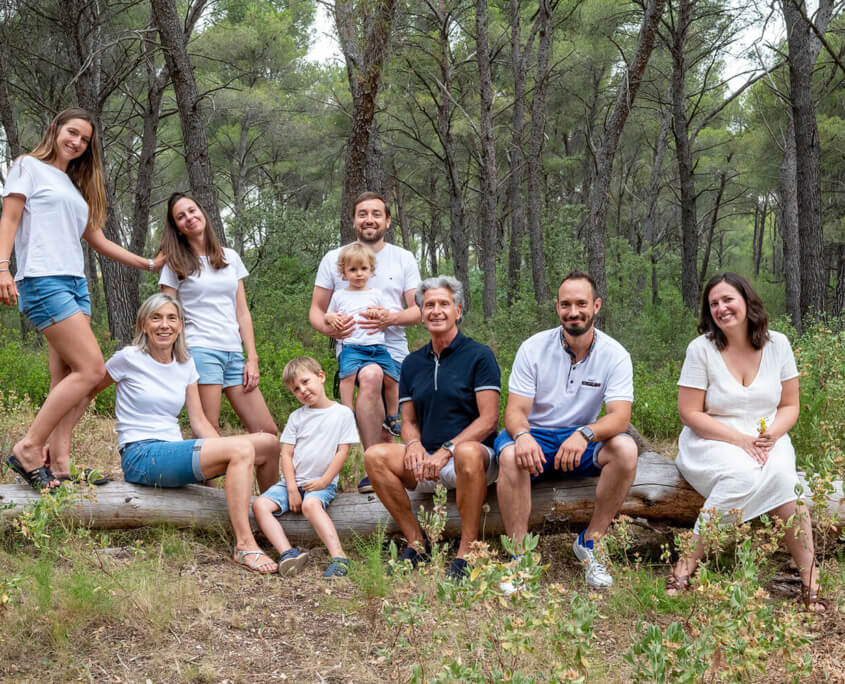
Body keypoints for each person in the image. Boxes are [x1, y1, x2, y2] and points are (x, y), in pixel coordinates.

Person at [0, 108, 164, 491]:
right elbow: (9, 219)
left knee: (70, 379)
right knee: (92, 370)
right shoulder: (27, 166)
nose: (76, 142)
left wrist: (148, 263)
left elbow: (97, 239)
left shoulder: (74, 186)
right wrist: (1, 268)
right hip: (43, 279)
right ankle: (28, 448)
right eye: (71, 133)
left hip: (76, 283)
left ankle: (60, 465)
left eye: (85, 139)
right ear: (55, 129)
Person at [667, 273, 827, 612]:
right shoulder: (701, 350)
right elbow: (690, 412)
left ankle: (811, 581)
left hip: (768, 434)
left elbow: (789, 404)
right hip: (711, 436)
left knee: (787, 481)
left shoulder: (778, 344)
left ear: (747, 301)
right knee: (741, 475)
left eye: (728, 300)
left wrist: (773, 434)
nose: (721, 308)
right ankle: (685, 564)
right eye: (714, 304)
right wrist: (740, 440)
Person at [91, 293, 281, 573]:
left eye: (171, 318)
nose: (164, 325)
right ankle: (244, 546)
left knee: (269, 443)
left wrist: (221, 456)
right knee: (241, 449)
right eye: (156, 318)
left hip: (172, 452)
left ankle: (273, 519)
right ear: (143, 324)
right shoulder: (128, 358)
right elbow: (85, 391)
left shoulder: (185, 363)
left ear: (181, 325)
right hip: (141, 455)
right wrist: (58, 444)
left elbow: (199, 421)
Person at [496, 271, 638, 589]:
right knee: (508, 457)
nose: (573, 311)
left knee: (626, 450)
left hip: (581, 437)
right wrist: (522, 436)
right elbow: (516, 412)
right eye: (566, 304)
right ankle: (520, 557)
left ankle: (590, 543)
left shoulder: (615, 355)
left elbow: (619, 418)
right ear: (557, 308)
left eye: (581, 303)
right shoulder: (533, 348)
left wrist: (585, 434)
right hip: (536, 433)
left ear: (597, 305)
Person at [364, 276, 500, 580]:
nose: (436, 311)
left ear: (458, 311)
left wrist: (446, 451)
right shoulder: (412, 363)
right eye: (429, 305)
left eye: (444, 304)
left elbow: (489, 419)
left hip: (473, 458)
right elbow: (408, 420)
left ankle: (468, 549)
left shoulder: (480, 356)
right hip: (427, 460)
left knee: (465, 453)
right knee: (375, 456)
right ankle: (417, 542)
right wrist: (413, 445)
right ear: (421, 313)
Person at [310, 191, 421, 492]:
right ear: (354, 220)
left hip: (393, 348)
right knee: (370, 376)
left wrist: (389, 319)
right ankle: (372, 465)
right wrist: (331, 328)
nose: (368, 219)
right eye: (362, 213)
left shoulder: (403, 258)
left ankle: (400, 468)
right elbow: (317, 312)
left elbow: (419, 310)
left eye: (375, 213)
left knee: (391, 414)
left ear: (387, 220)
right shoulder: (334, 258)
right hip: (353, 349)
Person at [159, 192, 277, 438]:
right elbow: (166, 313)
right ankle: (200, 479)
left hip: (234, 353)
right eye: (181, 217)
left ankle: (273, 479)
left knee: (267, 432)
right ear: (178, 228)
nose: (189, 218)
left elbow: (242, 312)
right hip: (201, 351)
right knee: (208, 432)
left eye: (192, 211)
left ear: (202, 212)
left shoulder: (229, 256)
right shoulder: (175, 263)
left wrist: (252, 358)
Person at [252, 357, 359, 578]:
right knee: (260, 505)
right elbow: (286, 453)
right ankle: (288, 553)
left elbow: (343, 452)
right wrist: (291, 488)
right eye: (296, 389)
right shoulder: (297, 417)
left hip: (321, 482)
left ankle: (339, 557)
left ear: (321, 377)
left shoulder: (342, 413)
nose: (303, 391)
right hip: (291, 482)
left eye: (305, 382)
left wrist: (324, 481)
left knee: (311, 505)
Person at [326, 242, 400, 433]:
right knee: (347, 377)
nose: (359, 274)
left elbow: (385, 313)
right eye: (353, 269)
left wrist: (378, 312)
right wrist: (332, 318)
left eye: (363, 269)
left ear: (371, 270)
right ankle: (347, 413)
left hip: (378, 347)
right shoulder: (339, 295)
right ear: (344, 272)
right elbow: (328, 315)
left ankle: (393, 417)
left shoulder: (376, 294)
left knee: (392, 379)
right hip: (352, 347)